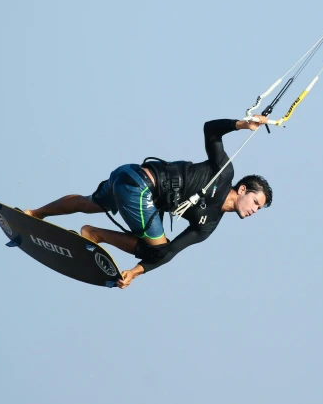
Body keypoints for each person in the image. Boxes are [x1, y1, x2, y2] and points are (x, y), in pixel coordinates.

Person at [25, 116, 273, 289]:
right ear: (242, 189)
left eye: (258, 208)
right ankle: (93, 233)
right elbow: (211, 129)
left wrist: (134, 272)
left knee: (90, 203)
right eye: (255, 201)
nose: (254, 209)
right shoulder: (224, 172)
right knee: (155, 248)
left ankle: (36, 213)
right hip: (140, 186)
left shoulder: (208, 225)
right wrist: (240, 124)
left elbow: (172, 252)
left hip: (126, 176)